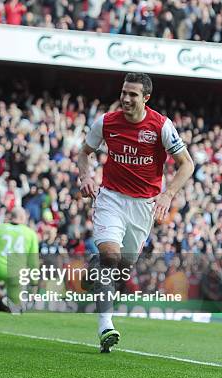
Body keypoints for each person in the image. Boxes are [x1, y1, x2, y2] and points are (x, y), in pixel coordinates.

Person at [78, 73, 194, 353]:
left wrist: (167, 194)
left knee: (121, 267)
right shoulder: (106, 122)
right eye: (124, 92)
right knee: (110, 256)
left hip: (144, 206)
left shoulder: (161, 126)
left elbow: (187, 164)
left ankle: (93, 272)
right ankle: (106, 325)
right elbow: (84, 153)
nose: (126, 99)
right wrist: (86, 176)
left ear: (146, 98)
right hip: (111, 198)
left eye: (133, 94)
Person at [0, 208, 39, 311]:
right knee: (15, 302)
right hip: (16, 273)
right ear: (23, 218)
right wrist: (34, 282)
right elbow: (33, 262)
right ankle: (14, 304)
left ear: (11, 217)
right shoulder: (30, 233)